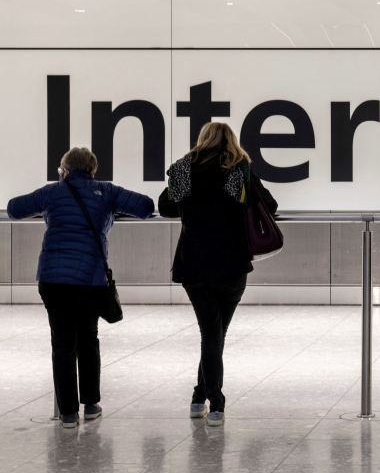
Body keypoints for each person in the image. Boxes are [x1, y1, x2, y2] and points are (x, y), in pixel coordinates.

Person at [7, 147, 154, 428]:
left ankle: (67, 414)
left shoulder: (52, 192)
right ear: (92, 170)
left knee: (62, 343)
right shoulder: (107, 191)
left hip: (52, 279)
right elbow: (146, 207)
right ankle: (90, 405)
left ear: (64, 170)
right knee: (88, 338)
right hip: (89, 280)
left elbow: (14, 208)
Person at [159, 122, 277, 427]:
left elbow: (166, 207)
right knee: (214, 334)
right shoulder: (239, 169)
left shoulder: (183, 168)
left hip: (194, 264)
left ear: (202, 140)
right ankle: (216, 403)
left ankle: (199, 397)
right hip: (231, 264)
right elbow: (270, 205)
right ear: (231, 141)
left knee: (212, 334)